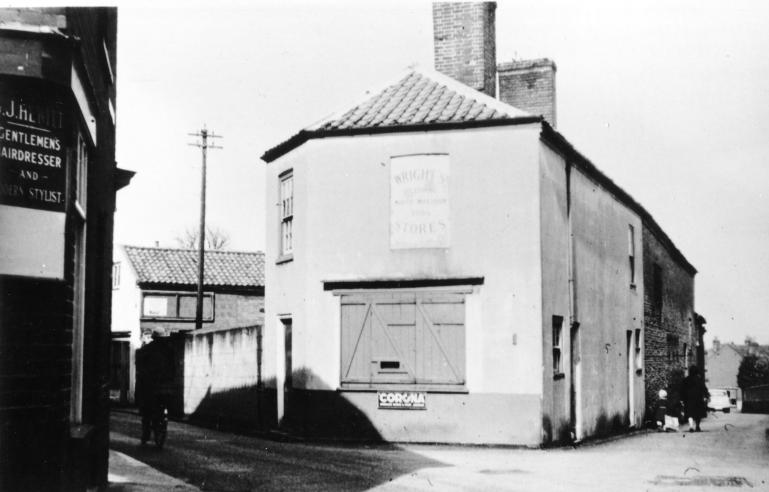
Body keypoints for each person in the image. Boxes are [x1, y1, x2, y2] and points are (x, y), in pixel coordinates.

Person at [135, 330, 175, 444]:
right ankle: (161, 426)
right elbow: (173, 369)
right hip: (165, 387)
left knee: (147, 412)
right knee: (162, 407)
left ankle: (146, 434)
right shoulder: (169, 351)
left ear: (153, 338)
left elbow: (141, 369)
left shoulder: (146, 350)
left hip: (150, 387)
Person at [679, 365, 709, 432]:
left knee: (690, 414)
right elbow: (704, 389)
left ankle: (691, 426)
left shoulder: (686, 380)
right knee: (698, 414)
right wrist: (706, 396)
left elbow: (682, 390)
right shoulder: (699, 380)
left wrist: (681, 399)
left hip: (688, 399)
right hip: (698, 399)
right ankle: (697, 426)